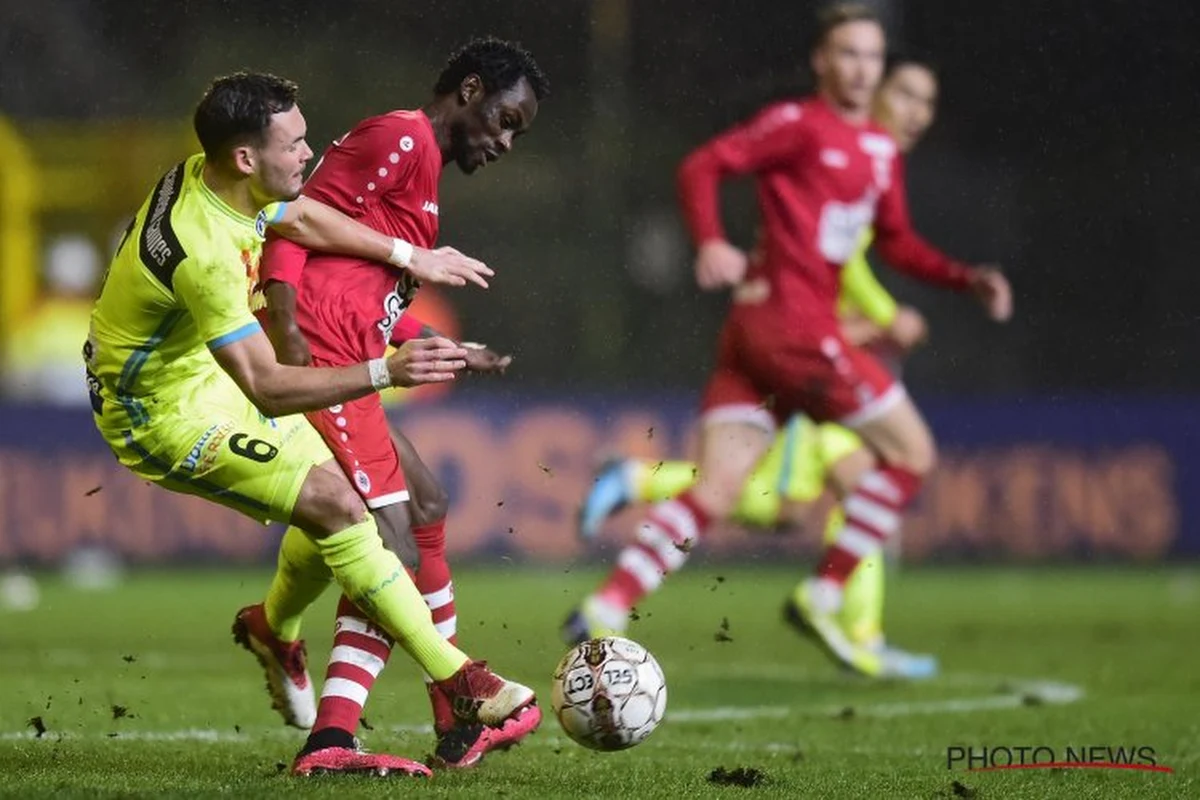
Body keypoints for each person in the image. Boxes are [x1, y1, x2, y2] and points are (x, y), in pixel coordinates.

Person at [84, 71, 535, 779]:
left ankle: (274, 632)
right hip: (159, 412)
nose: (309, 152)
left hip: (200, 372)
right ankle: (459, 682)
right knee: (341, 505)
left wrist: (406, 257)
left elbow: (293, 218)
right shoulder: (201, 250)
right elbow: (264, 381)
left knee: (338, 504)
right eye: (294, 143)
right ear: (245, 158)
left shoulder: (222, 181)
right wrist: (387, 370)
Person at [565, 4, 1011, 678]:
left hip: (753, 337)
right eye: (848, 54)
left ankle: (608, 603)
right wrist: (710, 240)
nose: (861, 69)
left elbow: (896, 240)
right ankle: (825, 593)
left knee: (716, 491)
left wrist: (962, 277)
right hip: (797, 335)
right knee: (912, 453)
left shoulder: (880, 153)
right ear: (822, 63)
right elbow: (702, 165)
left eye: (871, 57)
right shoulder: (799, 124)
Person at [246, 38, 547, 770]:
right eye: (505, 120)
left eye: (519, 133)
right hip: (317, 355)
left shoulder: (423, 174)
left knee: (427, 502)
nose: (505, 141)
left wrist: (438, 342)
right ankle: (339, 735)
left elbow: (359, 288)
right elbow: (291, 218)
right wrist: (287, 335)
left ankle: (284, 631)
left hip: (343, 351)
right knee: (394, 547)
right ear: (470, 90)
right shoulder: (402, 137)